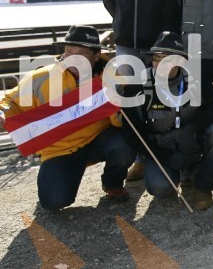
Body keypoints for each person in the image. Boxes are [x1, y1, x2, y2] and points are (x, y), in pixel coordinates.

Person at [0, 26, 135, 210]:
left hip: (98, 139)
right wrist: (2, 112)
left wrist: (114, 104)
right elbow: (10, 102)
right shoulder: (40, 77)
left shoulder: (112, 77)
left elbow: (120, 122)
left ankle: (112, 183)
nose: (74, 59)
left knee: (125, 143)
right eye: (69, 52)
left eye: (82, 53)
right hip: (60, 148)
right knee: (53, 202)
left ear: (96, 56)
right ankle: (60, 174)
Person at [101, 0, 178, 182]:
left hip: (157, 47)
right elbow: (112, 4)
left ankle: (164, 154)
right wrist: (124, 27)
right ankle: (138, 157)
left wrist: (164, 41)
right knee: (131, 103)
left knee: (158, 100)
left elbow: (171, 7)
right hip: (126, 46)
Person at [120, 32, 213, 210]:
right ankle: (176, 172)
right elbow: (132, 133)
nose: (160, 64)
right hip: (161, 146)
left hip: (191, 140)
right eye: (156, 58)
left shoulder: (196, 78)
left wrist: (192, 128)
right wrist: (166, 156)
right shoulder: (138, 85)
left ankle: (203, 187)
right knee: (158, 188)